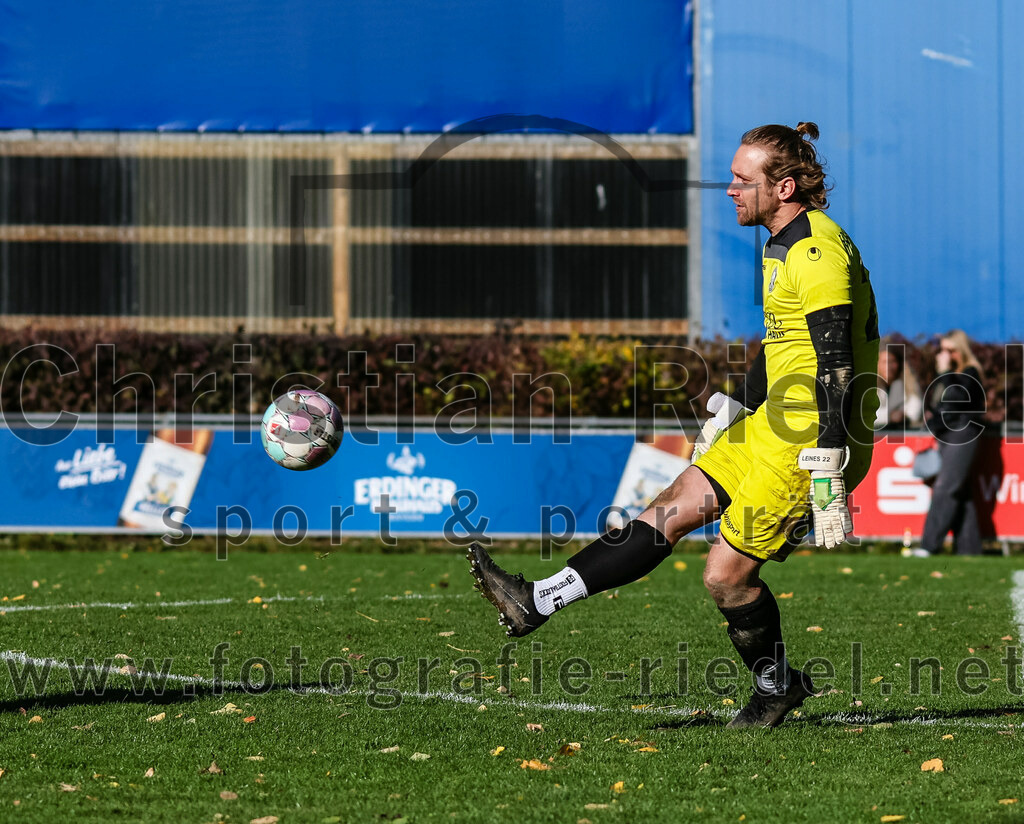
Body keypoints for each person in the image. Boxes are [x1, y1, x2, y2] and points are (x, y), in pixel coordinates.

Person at [468, 122, 880, 728]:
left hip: (812, 439)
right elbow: (781, 342)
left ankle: (775, 689)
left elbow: (838, 363)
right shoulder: (779, 241)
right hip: (773, 424)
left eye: (743, 180)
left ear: (784, 186)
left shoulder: (814, 251)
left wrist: (828, 465)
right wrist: (739, 405)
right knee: (669, 508)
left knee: (725, 578)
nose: (730, 189)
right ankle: (538, 601)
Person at [912, 330, 986, 556]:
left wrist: (944, 373)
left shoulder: (970, 372)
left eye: (950, 350)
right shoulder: (948, 375)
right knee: (960, 492)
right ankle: (970, 548)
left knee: (946, 488)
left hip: (964, 433)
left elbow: (958, 398)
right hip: (947, 435)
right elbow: (941, 408)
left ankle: (928, 545)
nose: (944, 354)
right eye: (942, 350)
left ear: (960, 351)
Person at [876, 340, 923, 429]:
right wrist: (889, 416)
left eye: (892, 361)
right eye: (884, 362)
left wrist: (902, 415)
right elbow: (866, 415)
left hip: (904, 433)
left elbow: (914, 411)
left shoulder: (909, 385)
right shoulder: (869, 386)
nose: (888, 366)